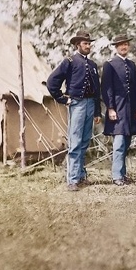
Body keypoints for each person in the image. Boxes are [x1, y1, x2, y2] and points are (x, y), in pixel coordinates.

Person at [45, 30, 102, 191]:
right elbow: (51, 82)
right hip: (77, 104)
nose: (88, 46)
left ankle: (81, 175)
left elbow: (96, 90)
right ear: (78, 45)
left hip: (91, 104)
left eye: (89, 43)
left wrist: (97, 111)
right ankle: (72, 180)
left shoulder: (92, 65)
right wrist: (62, 98)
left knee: (85, 140)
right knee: (75, 141)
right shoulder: (69, 61)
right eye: (85, 43)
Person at [101, 34, 136, 186]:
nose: (124, 47)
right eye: (120, 45)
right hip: (117, 109)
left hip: (130, 110)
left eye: (125, 44)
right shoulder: (109, 64)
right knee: (118, 143)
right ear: (116, 47)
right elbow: (106, 88)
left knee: (126, 142)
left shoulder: (131, 65)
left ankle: (122, 174)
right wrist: (110, 108)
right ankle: (117, 176)